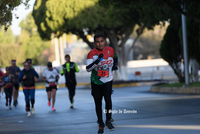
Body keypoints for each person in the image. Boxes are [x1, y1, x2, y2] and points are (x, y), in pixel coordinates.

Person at [86, 33, 118, 134]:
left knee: (108, 100)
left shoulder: (110, 50)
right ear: (95, 43)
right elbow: (88, 68)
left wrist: (115, 65)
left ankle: (108, 120)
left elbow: (115, 57)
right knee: (98, 103)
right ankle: (100, 123)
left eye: (102, 41)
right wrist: (97, 61)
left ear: (105, 41)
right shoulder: (91, 53)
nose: (100, 44)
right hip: (96, 81)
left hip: (108, 79)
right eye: (98, 42)